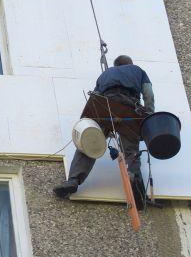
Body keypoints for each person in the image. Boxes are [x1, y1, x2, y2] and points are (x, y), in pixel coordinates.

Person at [53, 55, 155, 207]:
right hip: (127, 107)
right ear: (130, 64)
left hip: (104, 106)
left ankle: (73, 180)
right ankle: (135, 186)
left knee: (90, 142)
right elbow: (148, 94)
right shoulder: (138, 71)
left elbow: (95, 97)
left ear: (115, 65)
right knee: (131, 150)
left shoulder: (104, 75)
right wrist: (149, 116)